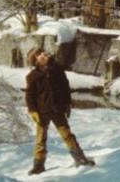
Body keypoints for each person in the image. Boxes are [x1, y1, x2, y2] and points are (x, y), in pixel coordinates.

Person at [25, 47, 95, 175]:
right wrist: (32, 110)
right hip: (42, 112)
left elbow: (65, 87)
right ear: (35, 59)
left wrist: (68, 104)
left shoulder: (57, 70)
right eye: (39, 55)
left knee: (67, 135)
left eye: (44, 53)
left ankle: (80, 159)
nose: (43, 56)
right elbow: (30, 95)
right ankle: (38, 166)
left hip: (57, 110)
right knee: (40, 140)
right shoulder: (32, 76)